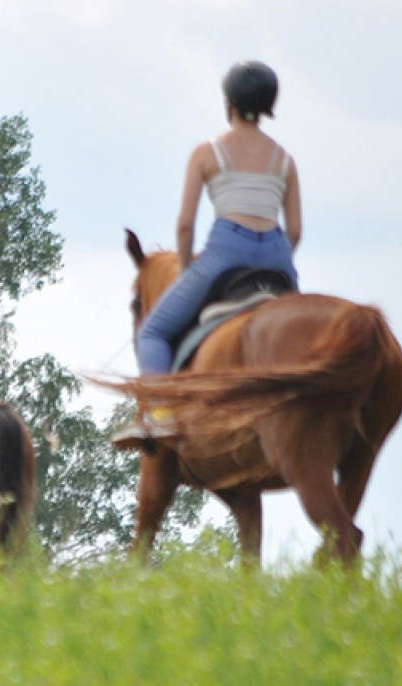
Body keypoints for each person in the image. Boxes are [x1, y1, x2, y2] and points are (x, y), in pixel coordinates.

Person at [117, 60, 302, 446]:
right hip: (278, 254)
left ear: (229, 103)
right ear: (269, 105)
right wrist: (276, 261)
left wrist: (186, 269)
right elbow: (296, 230)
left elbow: (185, 224)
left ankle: (161, 415)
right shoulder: (284, 160)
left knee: (153, 331)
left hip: (226, 249)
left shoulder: (209, 152)